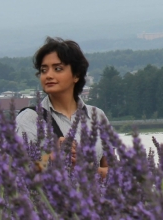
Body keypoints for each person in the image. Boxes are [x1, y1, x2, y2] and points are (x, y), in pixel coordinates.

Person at [16, 37, 109, 178]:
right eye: (44, 70)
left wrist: (86, 168)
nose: (49, 75)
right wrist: (53, 157)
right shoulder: (28, 119)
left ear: (76, 75)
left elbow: (113, 173)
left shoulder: (97, 115)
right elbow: (16, 173)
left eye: (58, 69)